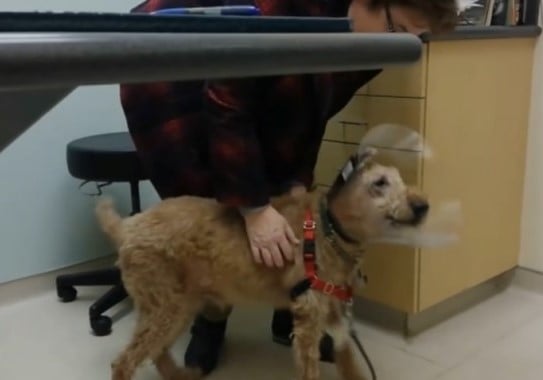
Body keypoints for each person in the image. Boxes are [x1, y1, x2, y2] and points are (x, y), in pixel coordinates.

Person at [119, 0, 458, 375]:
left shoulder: (381, 38)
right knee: (215, 224)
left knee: (289, 205)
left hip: (264, 81)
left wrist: (295, 179)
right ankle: (211, 321)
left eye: (417, 38)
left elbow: (313, 108)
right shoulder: (281, 10)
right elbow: (228, 101)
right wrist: (254, 208)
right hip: (173, 79)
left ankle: (292, 304)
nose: (402, 46)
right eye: (400, 30)